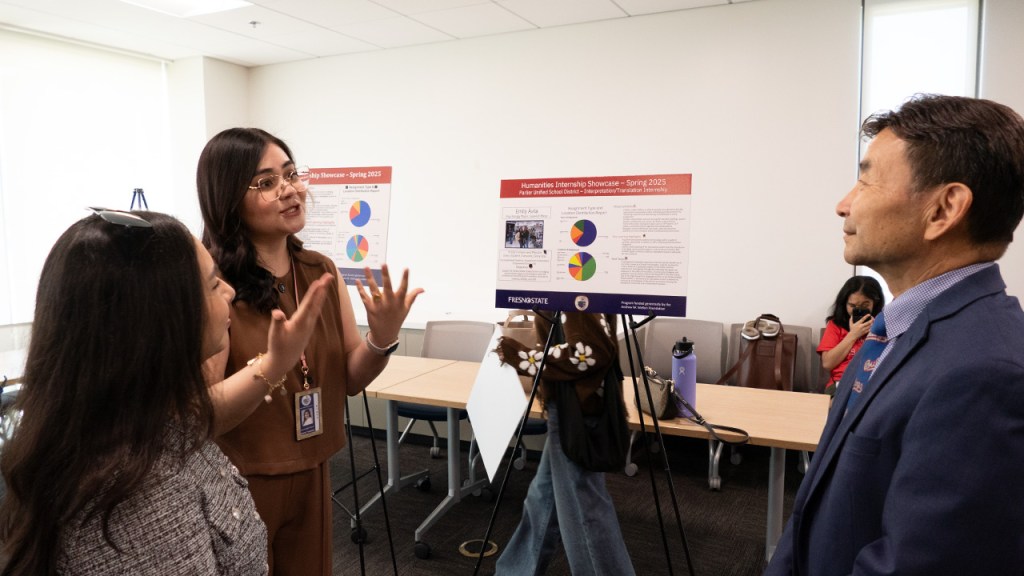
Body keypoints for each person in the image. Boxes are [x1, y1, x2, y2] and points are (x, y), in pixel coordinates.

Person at [765, 94, 1024, 576]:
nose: (843, 204)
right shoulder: (892, 330)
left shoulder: (987, 374)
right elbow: (816, 504)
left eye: (865, 179)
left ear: (944, 209)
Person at [0, 210, 332, 575]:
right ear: (158, 319)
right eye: (211, 285)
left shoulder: (145, 425)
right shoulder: (139, 502)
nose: (230, 291)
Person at [196, 127, 422, 575]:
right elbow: (207, 412)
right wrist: (272, 365)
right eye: (265, 183)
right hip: (241, 477)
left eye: (291, 174)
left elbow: (352, 378)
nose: (289, 190)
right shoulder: (213, 285)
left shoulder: (319, 269)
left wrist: (382, 337)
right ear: (227, 199)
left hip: (315, 465)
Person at [493, 311, 635, 575]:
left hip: (576, 412)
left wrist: (522, 357)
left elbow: (591, 352)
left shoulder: (571, 284)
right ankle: (515, 571)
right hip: (571, 407)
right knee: (543, 499)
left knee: (585, 514)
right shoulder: (574, 283)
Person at [816, 275, 885, 395]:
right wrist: (853, 335)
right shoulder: (835, 325)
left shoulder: (883, 324)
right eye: (853, 306)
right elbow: (827, 364)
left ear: (875, 302)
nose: (858, 309)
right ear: (844, 303)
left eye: (865, 305)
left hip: (872, 382)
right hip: (841, 382)